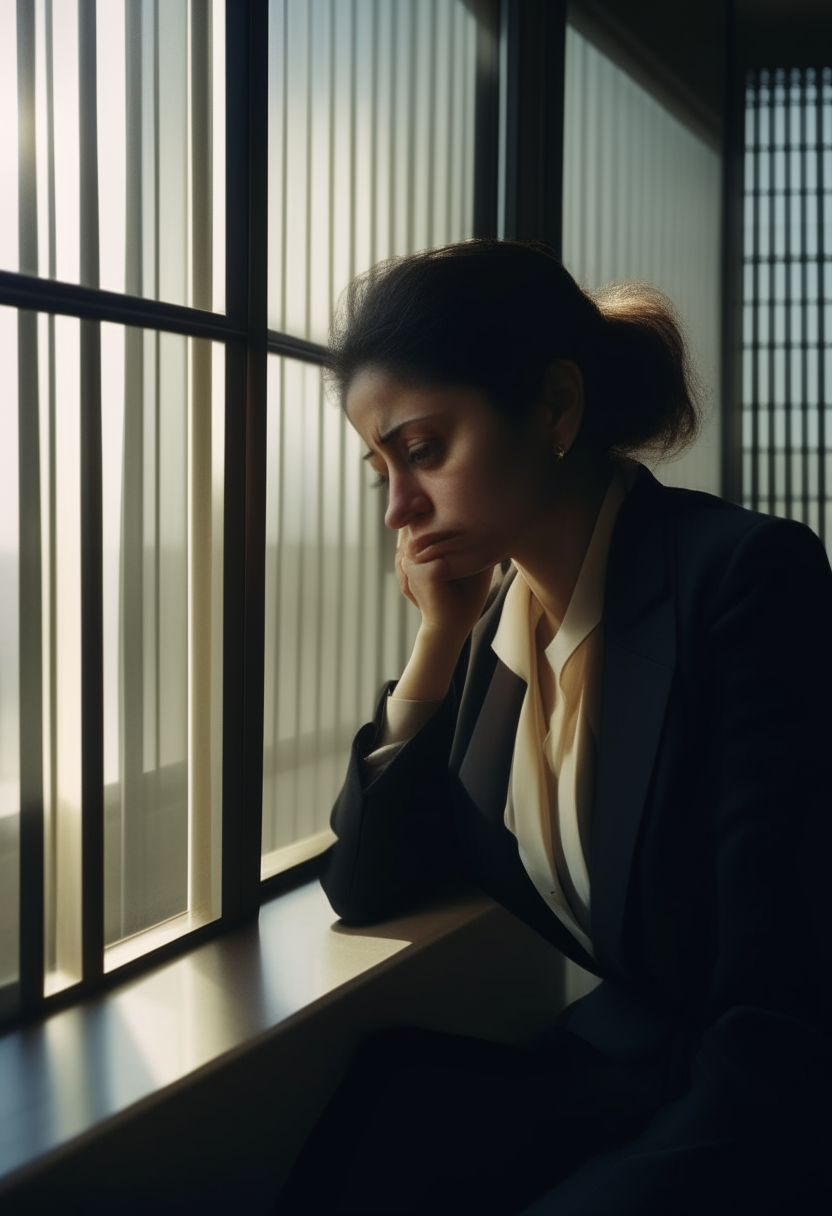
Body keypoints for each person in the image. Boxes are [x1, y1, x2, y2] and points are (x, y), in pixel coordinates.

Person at [275, 239, 831, 1215]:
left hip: (758, 1102)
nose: (400, 508)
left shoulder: (743, 582)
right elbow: (365, 881)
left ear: (555, 408)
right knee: (384, 1110)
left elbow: (781, 1020)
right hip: (635, 1067)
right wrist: (438, 636)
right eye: (381, 472)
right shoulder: (497, 632)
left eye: (423, 449)